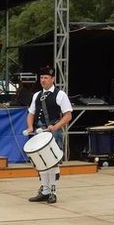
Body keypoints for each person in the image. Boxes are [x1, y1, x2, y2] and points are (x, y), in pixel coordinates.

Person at [26, 65, 73, 204]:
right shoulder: (37, 95)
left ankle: (52, 191)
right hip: (40, 132)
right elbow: (31, 113)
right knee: (41, 161)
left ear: (53, 79)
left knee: (51, 162)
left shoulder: (60, 95)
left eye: (46, 78)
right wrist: (29, 127)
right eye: (41, 78)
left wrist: (56, 127)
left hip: (53, 132)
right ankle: (44, 191)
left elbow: (68, 115)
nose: (43, 80)